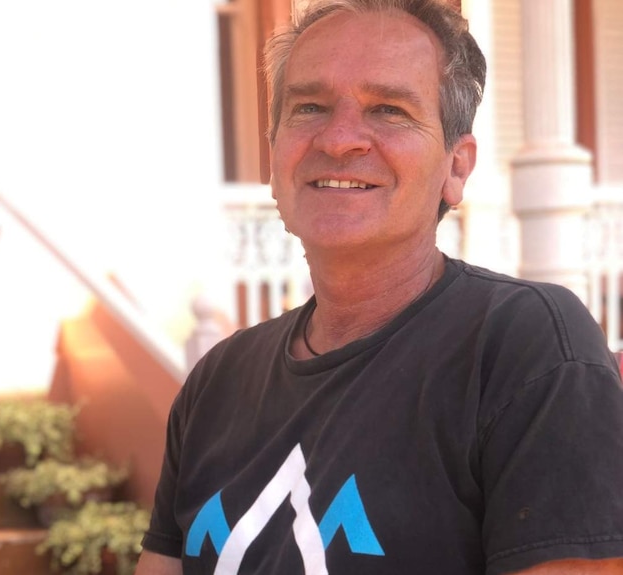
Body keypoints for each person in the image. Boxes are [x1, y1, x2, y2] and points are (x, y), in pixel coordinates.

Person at [136, 0, 623, 573]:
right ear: (272, 156)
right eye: (309, 107)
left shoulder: (524, 346)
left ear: (456, 168)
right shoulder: (216, 384)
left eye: (388, 109)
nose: (339, 139)